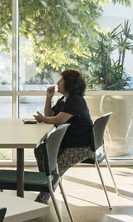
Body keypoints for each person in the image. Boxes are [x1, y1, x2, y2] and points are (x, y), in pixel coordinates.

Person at [33, 69, 95, 202]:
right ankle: (46, 182)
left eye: (61, 81)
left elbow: (59, 120)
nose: (57, 83)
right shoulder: (64, 99)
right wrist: (48, 98)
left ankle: (42, 199)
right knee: (40, 150)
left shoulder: (75, 100)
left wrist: (43, 119)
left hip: (81, 147)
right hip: (69, 143)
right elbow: (50, 115)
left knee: (55, 170)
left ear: (70, 84)